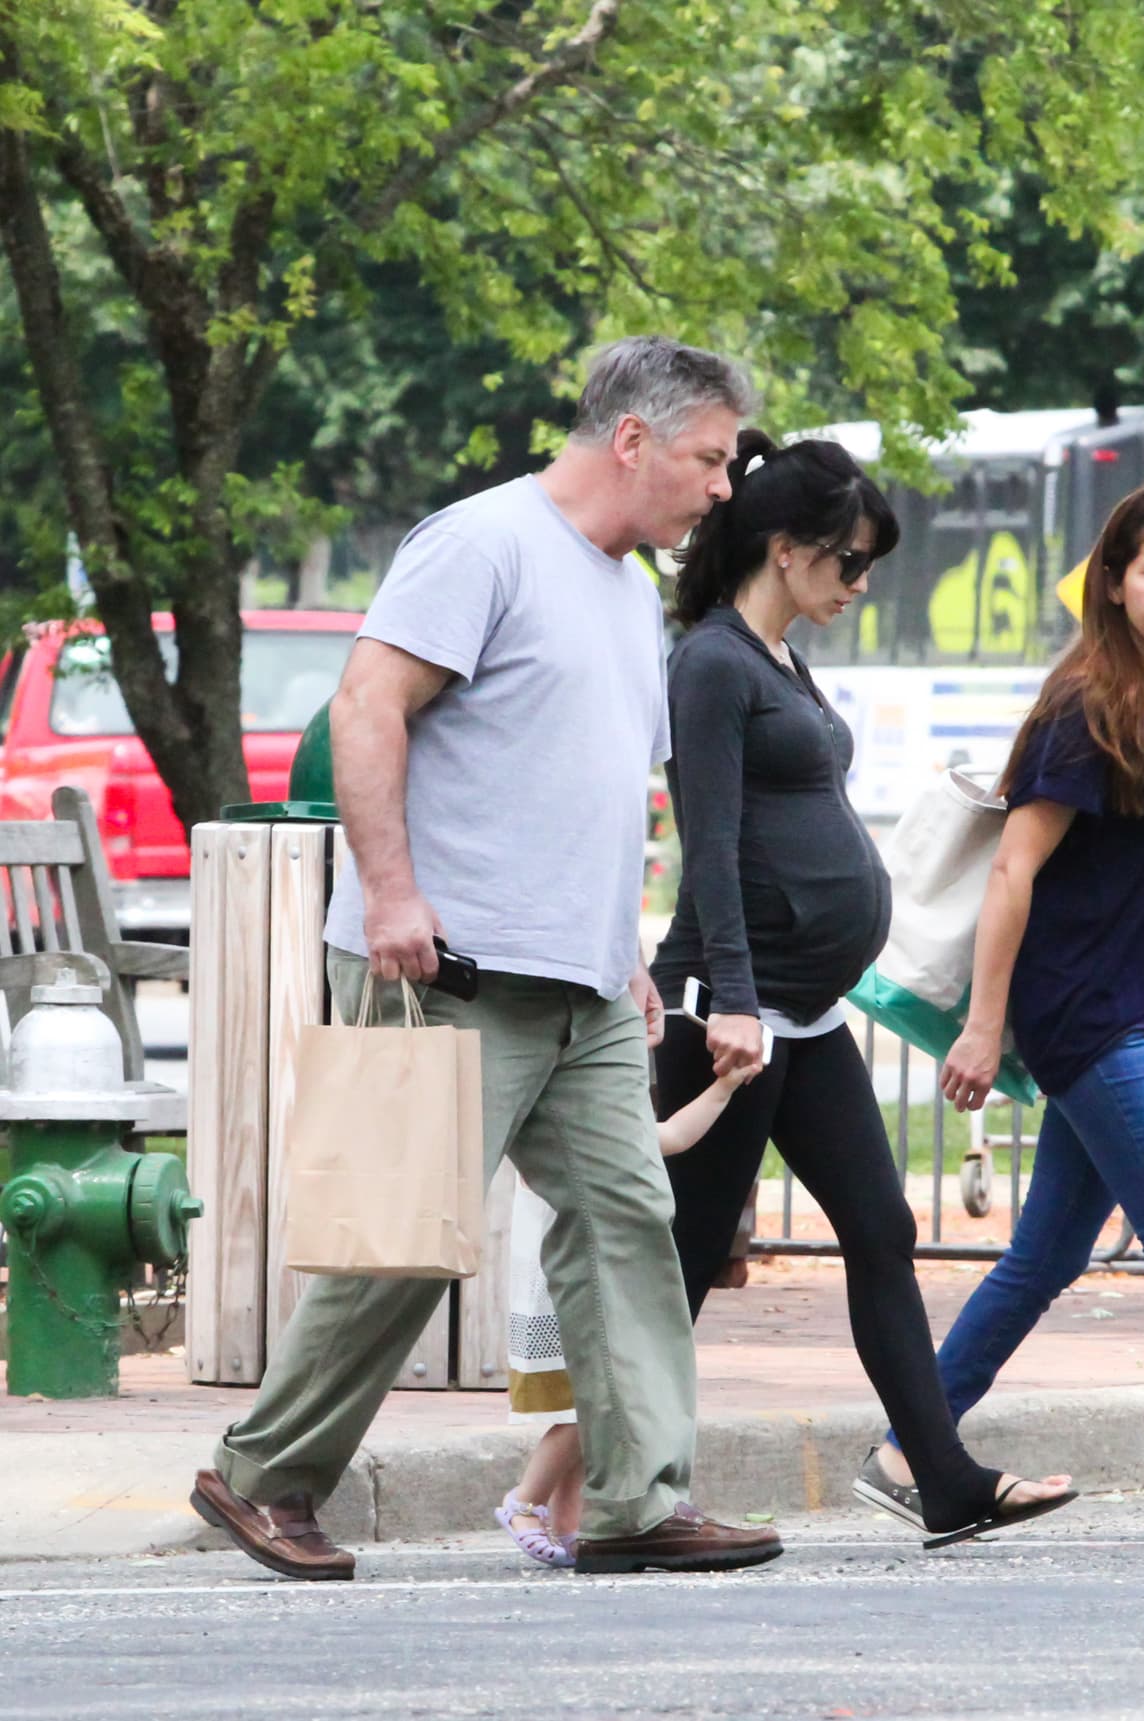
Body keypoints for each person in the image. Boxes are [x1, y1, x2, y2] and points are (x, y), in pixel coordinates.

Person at [188, 336, 783, 1580]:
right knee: (406, 1233)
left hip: (579, 981)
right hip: (447, 968)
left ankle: (634, 1499)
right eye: (709, 457)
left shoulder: (628, 591)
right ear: (631, 439)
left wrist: (620, 942)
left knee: (628, 1216)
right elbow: (365, 706)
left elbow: (589, 786)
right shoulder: (482, 543)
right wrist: (392, 892)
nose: (724, 485)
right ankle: (262, 1476)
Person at [645, 429, 1077, 1547]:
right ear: (785, 549)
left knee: (880, 1227)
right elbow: (711, 848)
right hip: (735, 1014)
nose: (859, 581)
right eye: (847, 561)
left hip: (802, 1008)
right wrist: (731, 1001)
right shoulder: (709, 662)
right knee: (682, 1261)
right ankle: (620, 1487)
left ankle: (941, 1478)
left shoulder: (778, 658)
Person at [866, 480, 1144, 1548]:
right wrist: (981, 1024)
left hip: (1133, 1008)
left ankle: (907, 1445)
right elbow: (1012, 870)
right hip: (1082, 1012)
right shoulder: (1083, 704)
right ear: (1110, 581)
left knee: (1044, 1256)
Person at [497, 1064, 755, 1568]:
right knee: (586, 1407)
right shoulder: (552, 1130)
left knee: (588, 1407)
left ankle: (569, 1521)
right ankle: (523, 1501)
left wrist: (724, 1086)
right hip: (557, 1288)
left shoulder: (606, 1131)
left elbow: (675, 1135)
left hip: (581, 1283)